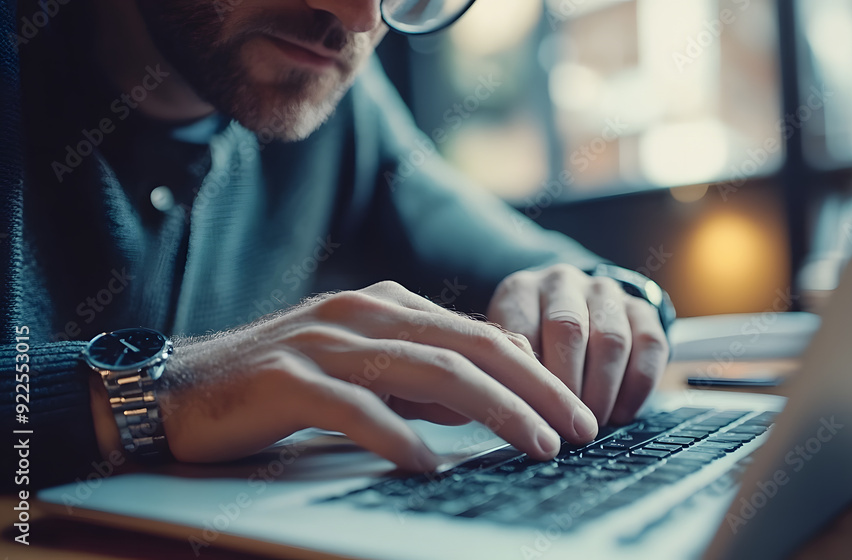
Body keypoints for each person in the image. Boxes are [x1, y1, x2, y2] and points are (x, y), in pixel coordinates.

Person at [0, 0, 673, 490]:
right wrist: (154, 391)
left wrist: (604, 296)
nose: (358, 19)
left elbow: (532, 261)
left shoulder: (332, 96)